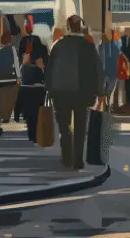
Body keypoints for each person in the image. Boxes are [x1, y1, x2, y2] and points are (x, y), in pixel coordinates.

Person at [45, 16, 106, 169]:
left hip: (60, 92)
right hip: (82, 92)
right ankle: (78, 160)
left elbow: (49, 69)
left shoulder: (58, 45)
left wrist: (49, 90)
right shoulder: (88, 46)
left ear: (68, 27)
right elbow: (98, 70)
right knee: (80, 126)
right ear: (81, 27)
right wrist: (100, 92)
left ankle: (67, 158)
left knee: (64, 126)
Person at [18, 21, 48, 142]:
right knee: (38, 110)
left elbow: (19, 64)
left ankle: (31, 133)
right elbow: (47, 66)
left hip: (25, 84)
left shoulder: (23, 50)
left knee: (28, 110)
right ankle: (36, 133)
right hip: (39, 85)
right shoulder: (43, 50)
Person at [0, 26, 20, 123]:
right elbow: (16, 62)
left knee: (2, 98)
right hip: (11, 77)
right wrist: (18, 76)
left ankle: (2, 115)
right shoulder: (12, 49)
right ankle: (7, 116)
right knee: (11, 98)